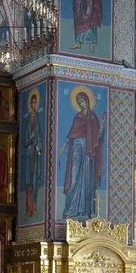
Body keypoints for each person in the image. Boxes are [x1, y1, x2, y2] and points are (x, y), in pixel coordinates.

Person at [61, 89, 103, 220]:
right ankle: (70, 209)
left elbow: (98, 136)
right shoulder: (78, 117)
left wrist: (103, 124)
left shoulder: (92, 117)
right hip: (77, 149)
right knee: (75, 177)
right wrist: (63, 147)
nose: (81, 104)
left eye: (83, 101)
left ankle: (86, 210)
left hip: (88, 152)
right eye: (79, 102)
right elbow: (71, 135)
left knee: (87, 179)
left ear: (87, 101)